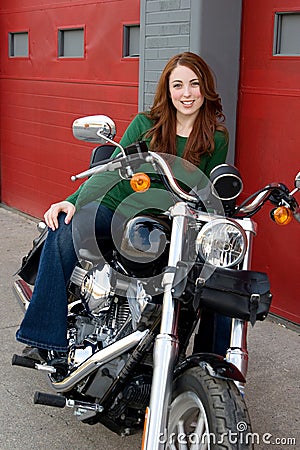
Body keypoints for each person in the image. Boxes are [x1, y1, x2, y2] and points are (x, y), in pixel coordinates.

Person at [16, 52, 229, 362]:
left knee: (220, 269)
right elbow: (112, 171)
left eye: (194, 85)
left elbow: (209, 191)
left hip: (172, 222)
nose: (186, 93)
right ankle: (44, 335)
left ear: (205, 88)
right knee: (63, 228)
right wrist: (72, 201)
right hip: (119, 210)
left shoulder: (216, 137)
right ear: (167, 90)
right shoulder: (146, 124)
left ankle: (208, 363)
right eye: (178, 85)